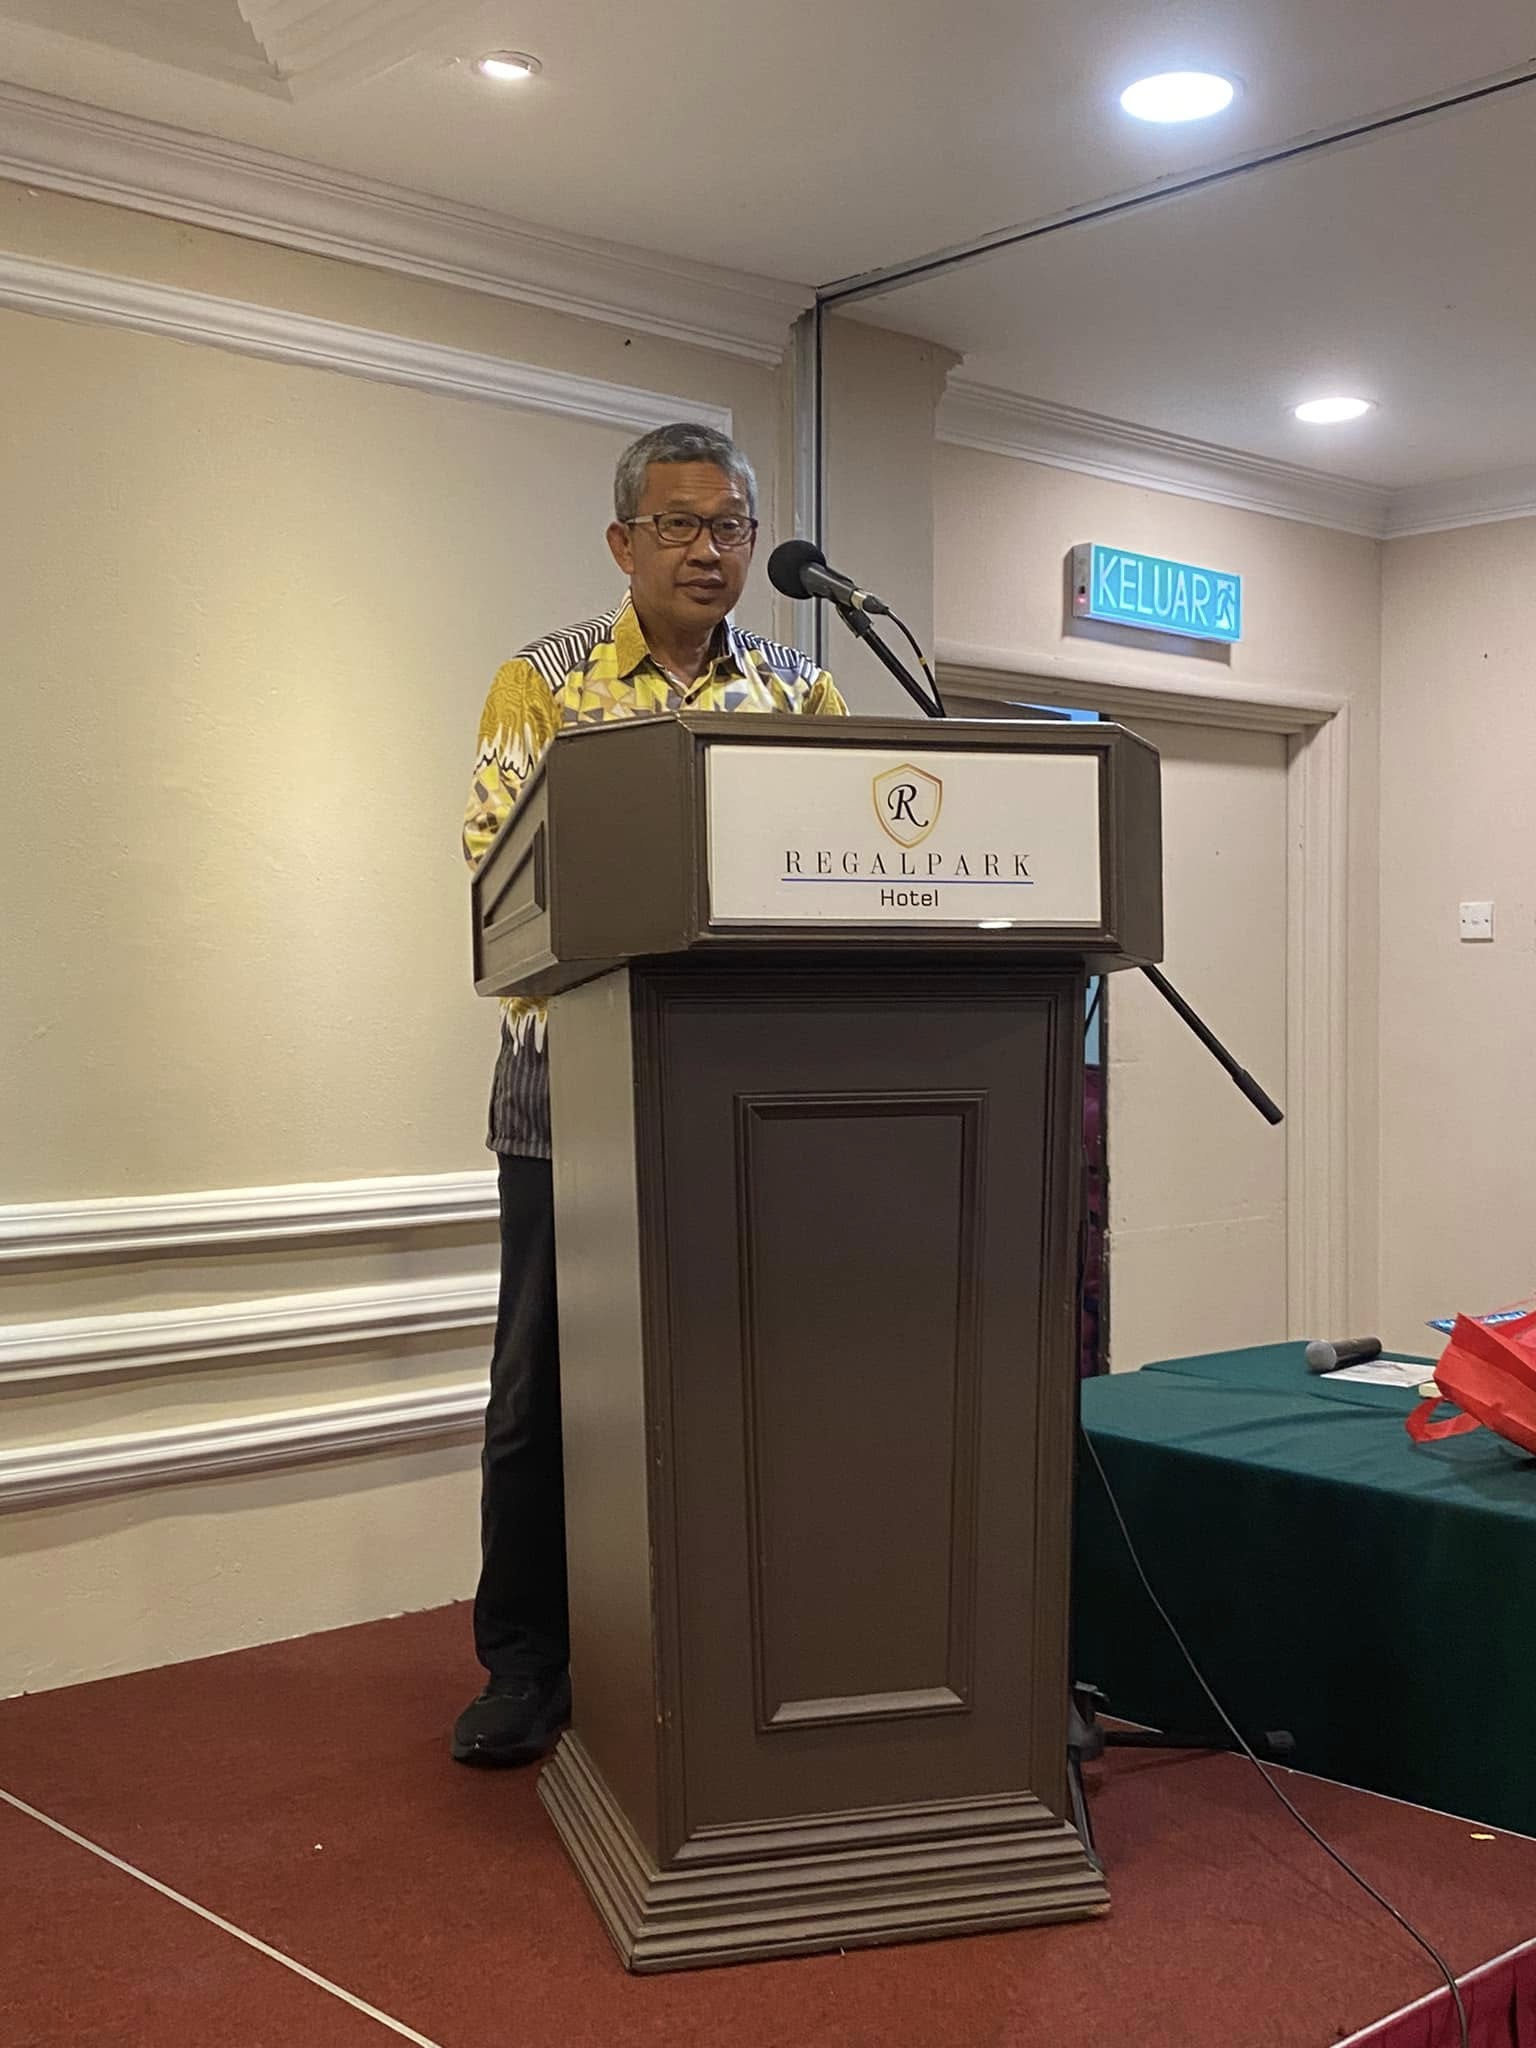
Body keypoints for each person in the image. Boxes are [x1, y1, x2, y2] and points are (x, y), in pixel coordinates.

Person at [453, 422, 847, 1765]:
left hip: (751, 1100)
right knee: (543, 1389)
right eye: (680, 525)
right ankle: (528, 1660)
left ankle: (735, 1635)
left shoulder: (802, 690)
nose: (708, 550)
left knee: (746, 1375)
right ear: (624, 542)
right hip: (567, 1097)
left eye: (730, 526)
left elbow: (845, 880)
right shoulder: (544, 681)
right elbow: (500, 878)